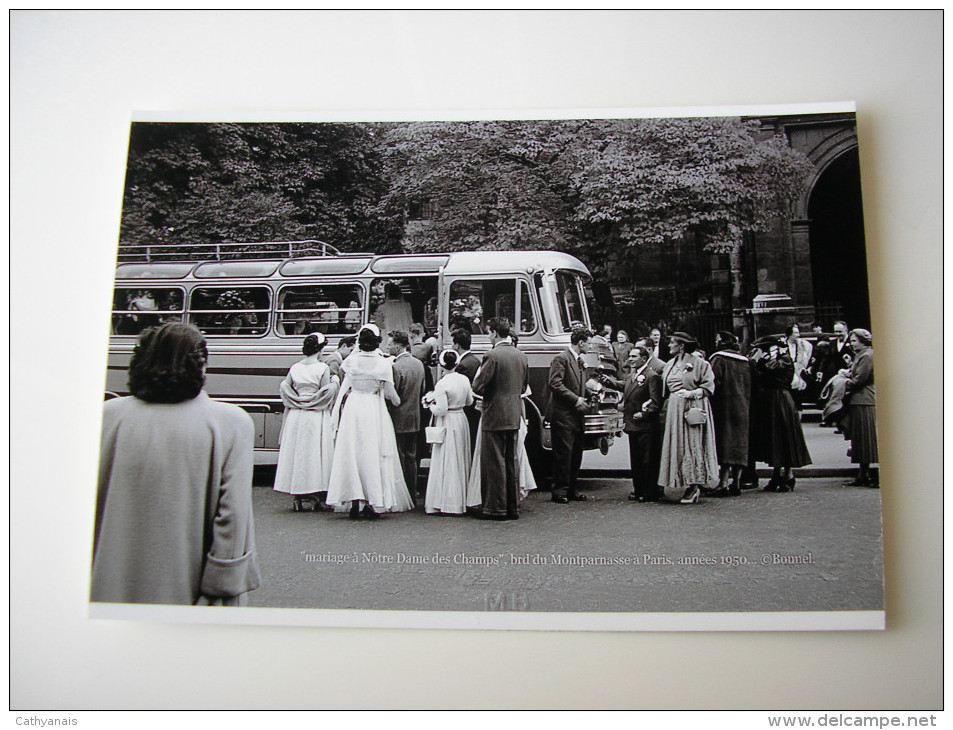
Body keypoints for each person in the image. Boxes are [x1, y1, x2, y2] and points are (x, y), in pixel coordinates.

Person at [91, 323, 260, 606]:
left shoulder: (107, 415)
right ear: (202, 365)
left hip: (106, 583)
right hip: (192, 588)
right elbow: (232, 517)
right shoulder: (231, 422)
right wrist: (221, 585)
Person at [326, 324, 415, 519]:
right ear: (377, 342)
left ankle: (354, 502)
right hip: (373, 408)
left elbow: (347, 384)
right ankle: (372, 501)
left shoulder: (351, 361)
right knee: (373, 453)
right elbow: (392, 396)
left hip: (354, 407)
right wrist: (398, 400)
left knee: (352, 451)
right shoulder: (383, 364)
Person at [273, 333, 340, 512]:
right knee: (314, 453)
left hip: (297, 414)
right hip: (315, 414)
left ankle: (298, 495)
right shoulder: (322, 368)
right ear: (320, 349)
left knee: (298, 452)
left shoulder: (295, 367)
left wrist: (298, 399)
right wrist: (334, 383)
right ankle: (315, 493)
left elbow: (285, 386)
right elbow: (325, 390)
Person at [471, 317, 528, 520]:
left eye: (489, 332)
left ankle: (496, 507)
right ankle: (513, 507)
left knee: (494, 463)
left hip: (494, 414)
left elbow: (477, 386)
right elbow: (522, 387)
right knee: (512, 461)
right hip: (513, 414)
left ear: (495, 333)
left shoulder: (491, 355)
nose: (488, 336)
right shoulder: (521, 356)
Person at [657, 332, 718, 505]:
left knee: (693, 444)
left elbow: (708, 386)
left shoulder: (699, 363)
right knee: (679, 445)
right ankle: (681, 481)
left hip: (692, 407)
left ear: (681, 345)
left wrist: (692, 393)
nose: (669, 345)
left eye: (672, 343)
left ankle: (695, 486)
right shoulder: (670, 364)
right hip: (674, 408)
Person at [749, 336, 812, 492]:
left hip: (781, 399)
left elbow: (772, 370)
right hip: (770, 401)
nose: (762, 352)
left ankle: (788, 475)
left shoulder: (784, 360)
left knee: (784, 437)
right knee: (775, 439)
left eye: (765, 348)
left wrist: (760, 360)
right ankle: (777, 474)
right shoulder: (774, 359)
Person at [602, 346, 662, 502]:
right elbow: (624, 385)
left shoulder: (651, 376)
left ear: (643, 359)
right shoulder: (632, 375)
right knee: (636, 460)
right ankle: (638, 489)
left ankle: (649, 491)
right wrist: (607, 381)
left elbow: (656, 402)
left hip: (645, 426)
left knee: (647, 460)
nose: (630, 359)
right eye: (630, 356)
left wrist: (643, 414)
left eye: (634, 356)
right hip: (632, 425)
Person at [422, 349, 475, 514]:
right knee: (460, 457)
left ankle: (445, 500)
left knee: (446, 459)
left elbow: (441, 410)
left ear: (442, 364)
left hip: (447, 421)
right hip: (461, 419)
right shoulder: (464, 379)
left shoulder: (442, 383)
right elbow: (469, 401)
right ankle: (461, 499)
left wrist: (428, 404)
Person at [546, 327, 593, 505]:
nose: (590, 346)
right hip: (563, 414)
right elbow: (555, 384)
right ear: (581, 343)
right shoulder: (561, 358)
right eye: (588, 342)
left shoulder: (578, 360)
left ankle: (571, 488)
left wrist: (591, 393)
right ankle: (559, 490)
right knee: (563, 453)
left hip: (575, 415)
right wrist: (576, 399)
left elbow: (577, 384)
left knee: (575, 453)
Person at [708, 331, 751, 497]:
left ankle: (724, 483)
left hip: (723, 407)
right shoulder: (745, 361)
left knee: (725, 442)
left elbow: (713, 382)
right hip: (743, 406)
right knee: (739, 443)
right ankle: (737, 482)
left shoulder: (718, 359)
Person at [387, 330, 426, 505]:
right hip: (414, 415)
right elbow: (423, 389)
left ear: (397, 345)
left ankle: (401, 495)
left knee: (399, 455)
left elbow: (394, 394)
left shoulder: (396, 367)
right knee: (411, 456)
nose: (388, 346)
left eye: (390, 344)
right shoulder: (418, 364)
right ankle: (412, 491)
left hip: (398, 417)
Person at [840, 329, 878, 487]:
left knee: (866, 437)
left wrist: (842, 380)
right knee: (860, 438)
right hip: (858, 399)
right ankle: (863, 473)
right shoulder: (861, 355)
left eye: (854, 341)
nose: (851, 343)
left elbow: (859, 379)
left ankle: (867, 473)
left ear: (863, 341)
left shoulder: (867, 355)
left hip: (864, 399)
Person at [451, 327, 482, 452]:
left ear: (457, 345)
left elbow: (460, 390)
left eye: (453, 343)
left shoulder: (462, 365)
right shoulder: (475, 360)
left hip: (467, 410)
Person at [785, 323, 814, 409]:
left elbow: (808, 358)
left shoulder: (803, 345)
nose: (798, 335)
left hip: (799, 374)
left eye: (798, 332)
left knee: (798, 399)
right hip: (787, 375)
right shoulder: (783, 345)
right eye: (796, 333)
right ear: (790, 334)